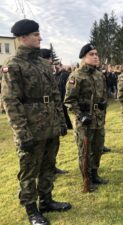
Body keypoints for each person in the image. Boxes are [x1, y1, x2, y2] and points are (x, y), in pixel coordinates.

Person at [1, 19, 71, 225]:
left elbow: (54, 94)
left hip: (49, 125)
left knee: (49, 166)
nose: (40, 37)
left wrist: (60, 121)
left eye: (39, 34)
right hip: (31, 128)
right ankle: (32, 210)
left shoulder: (42, 63)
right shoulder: (13, 66)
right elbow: (11, 102)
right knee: (29, 170)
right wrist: (22, 133)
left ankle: (47, 201)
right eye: (35, 35)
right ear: (23, 38)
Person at [64, 44, 108, 191]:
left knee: (98, 147)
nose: (96, 56)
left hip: (98, 119)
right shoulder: (76, 76)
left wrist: (102, 104)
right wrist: (81, 116)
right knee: (85, 150)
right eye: (91, 54)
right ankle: (86, 179)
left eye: (96, 53)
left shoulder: (99, 75)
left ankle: (95, 174)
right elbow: (69, 100)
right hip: (84, 121)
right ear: (83, 57)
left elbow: (103, 95)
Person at [40, 49, 69, 175]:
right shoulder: (34, 75)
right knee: (42, 148)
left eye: (50, 59)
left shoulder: (51, 77)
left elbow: (57, 100)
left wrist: (62, 122)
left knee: (54, 145)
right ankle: (44, 171)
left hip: (53, 117)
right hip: (40, 119)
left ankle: (52, 167)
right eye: (48, 59)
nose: (51, 61)